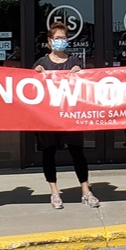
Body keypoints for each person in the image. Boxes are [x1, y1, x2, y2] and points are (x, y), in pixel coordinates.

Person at [33, 22, 100, 209]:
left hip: (71, 117)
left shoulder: (74, 62)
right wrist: (36, 75)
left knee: (77, 152)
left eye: (63, 38)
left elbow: (86, 89)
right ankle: (54, 193)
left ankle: (86, 191)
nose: (60, 41)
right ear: (49, 41)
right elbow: (31, 91)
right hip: (48, 118)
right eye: (57, 38)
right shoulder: (41, 64)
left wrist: (81, 74)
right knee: (49, 153)